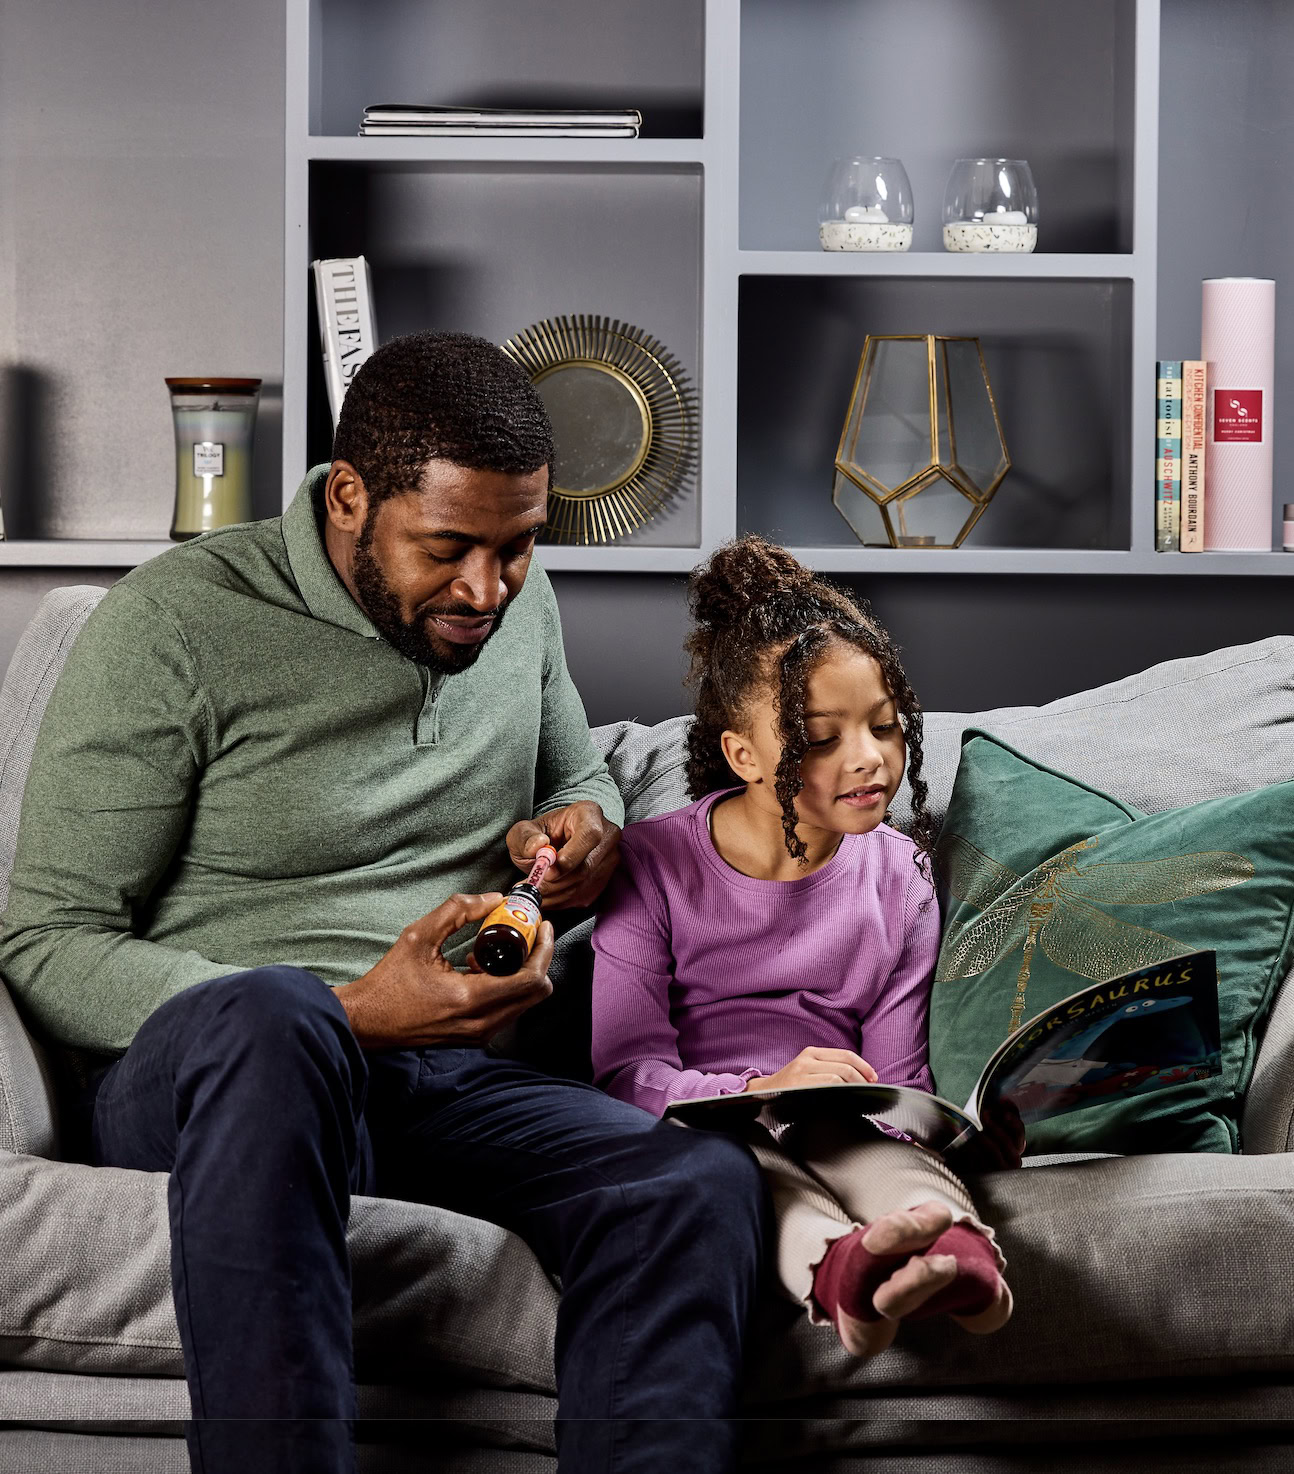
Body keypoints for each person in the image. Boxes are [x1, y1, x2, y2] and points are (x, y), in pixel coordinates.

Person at [0, 333, 767, 1474]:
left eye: (517, 547)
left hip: (440, 1079)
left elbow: (576, 777)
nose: (485, 589)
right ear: (349, 498)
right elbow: (48, 941)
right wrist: (352, 1008)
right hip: (224, 1074)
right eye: (447, 548)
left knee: (693, 1180)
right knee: (280, 1015)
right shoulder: (172, 626)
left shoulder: (518, 607)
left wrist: (585, 829)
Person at [590, 535, 1014, 1359]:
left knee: (863, 1148)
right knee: (745, 1168)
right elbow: (627, 1075)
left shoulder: (901, 878)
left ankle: (959, 1256)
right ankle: (843, 1273)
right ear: (743, 755)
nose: (870, 759)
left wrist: (966, 1135)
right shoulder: (650, 866)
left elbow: (898, 1081)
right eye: (821, 737)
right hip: (712, 1120)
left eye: (885, 726)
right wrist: (761, 1088)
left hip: (839, 1117)